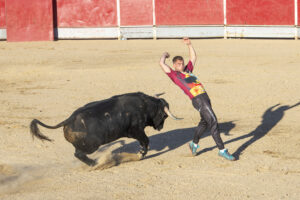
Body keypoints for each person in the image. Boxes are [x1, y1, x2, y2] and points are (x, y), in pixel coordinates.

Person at [159, 38, 235, 161]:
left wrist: (189, 45)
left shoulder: (188, 70)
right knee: (213, 121)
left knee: (205, 122)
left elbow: (193, 57)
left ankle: (194, 144)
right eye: (178, 64)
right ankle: (222, 150)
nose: (181, 65)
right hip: (198, 100)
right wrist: (164, 55)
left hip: (205, 98)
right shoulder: (175, 75)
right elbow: (162, 64)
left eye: (182, 63)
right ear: (174, 65)